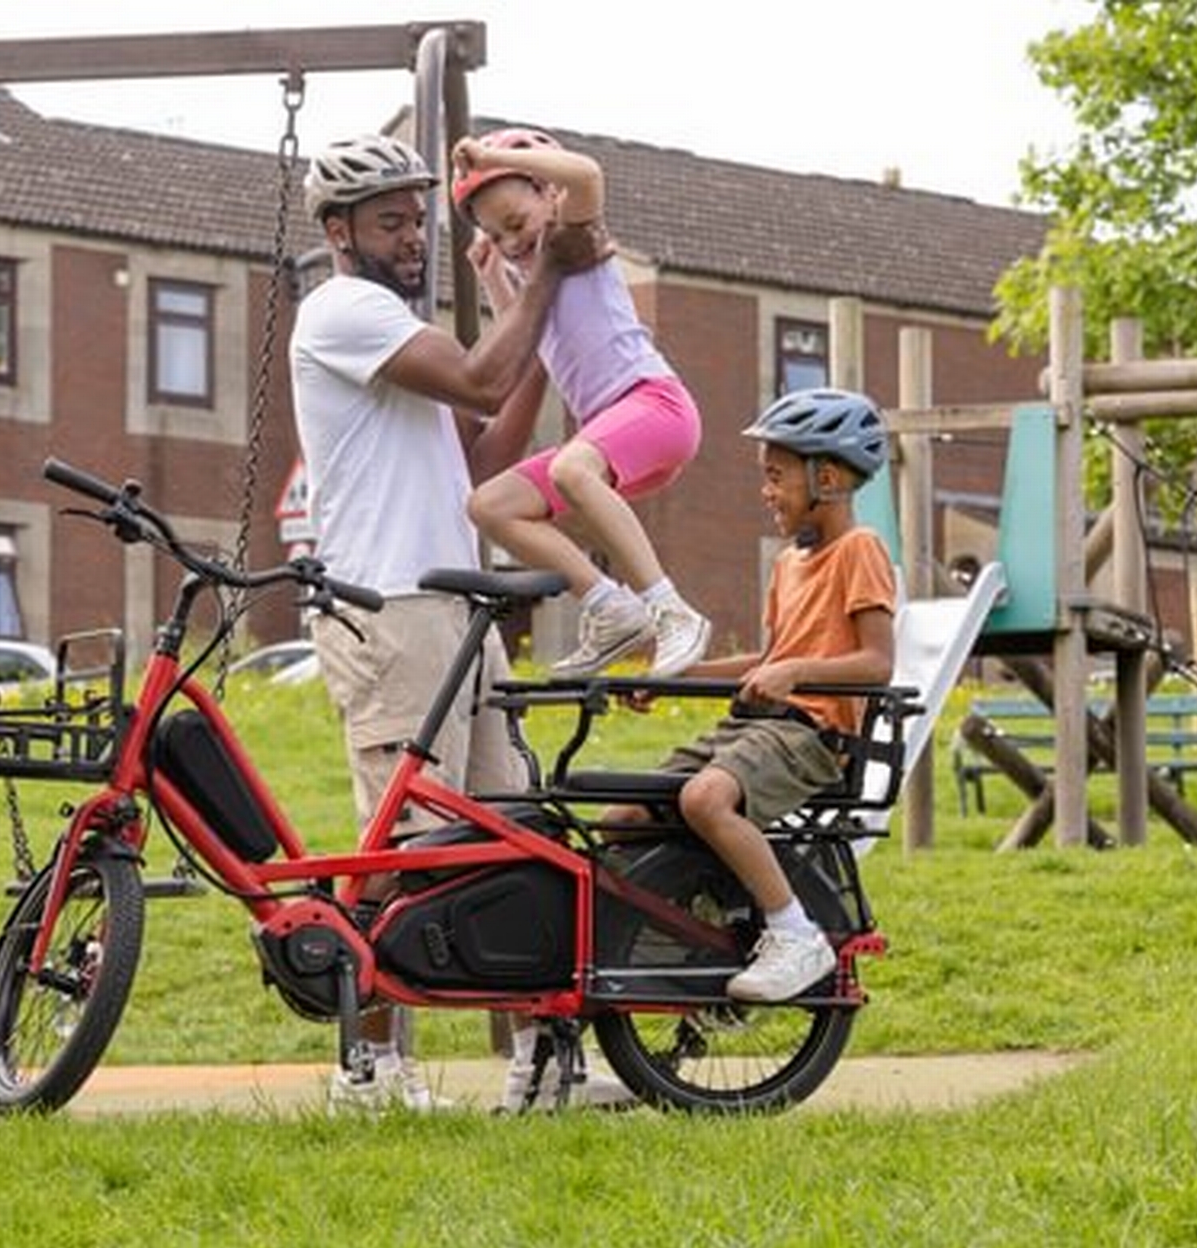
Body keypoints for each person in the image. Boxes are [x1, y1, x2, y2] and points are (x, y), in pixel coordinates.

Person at [292, 134, 600, 1111]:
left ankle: (538, 1064)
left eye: (417, 218)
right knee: (407, 845)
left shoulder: (400, 333)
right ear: (339, 232)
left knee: (509, 837)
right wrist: (546, 272)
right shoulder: (343, 311)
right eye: (389, 221)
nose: (412, 236)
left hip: (459, 603)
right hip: (388, 605)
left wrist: (530, 321)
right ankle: (369, 1070)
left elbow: (485, 452)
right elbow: (477, 379)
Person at [626, 387, 896, 1002]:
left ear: (827, 478)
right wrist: (675, 675)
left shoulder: (860, 551)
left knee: (705, 798)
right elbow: (768, 663)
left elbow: (878, 662)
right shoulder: (787, 565)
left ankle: (795, 934)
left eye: (776, 477)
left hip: (811, 736)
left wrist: (795, 673)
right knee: (627, 818)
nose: (766, 492)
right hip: (757, 730)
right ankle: (669, 943)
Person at [450, 127, 711, 680]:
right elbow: (523, 337)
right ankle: (610, 608)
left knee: (570, 467)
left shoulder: (576, 239)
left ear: (550, 195)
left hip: (655, 406)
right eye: (495, 235)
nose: (511, 242)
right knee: (489, 505)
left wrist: (488, 158)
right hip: (614, 439)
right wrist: (491, 274)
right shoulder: (530, 272)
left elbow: (588, 175)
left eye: (516, 223)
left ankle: (672, 611)